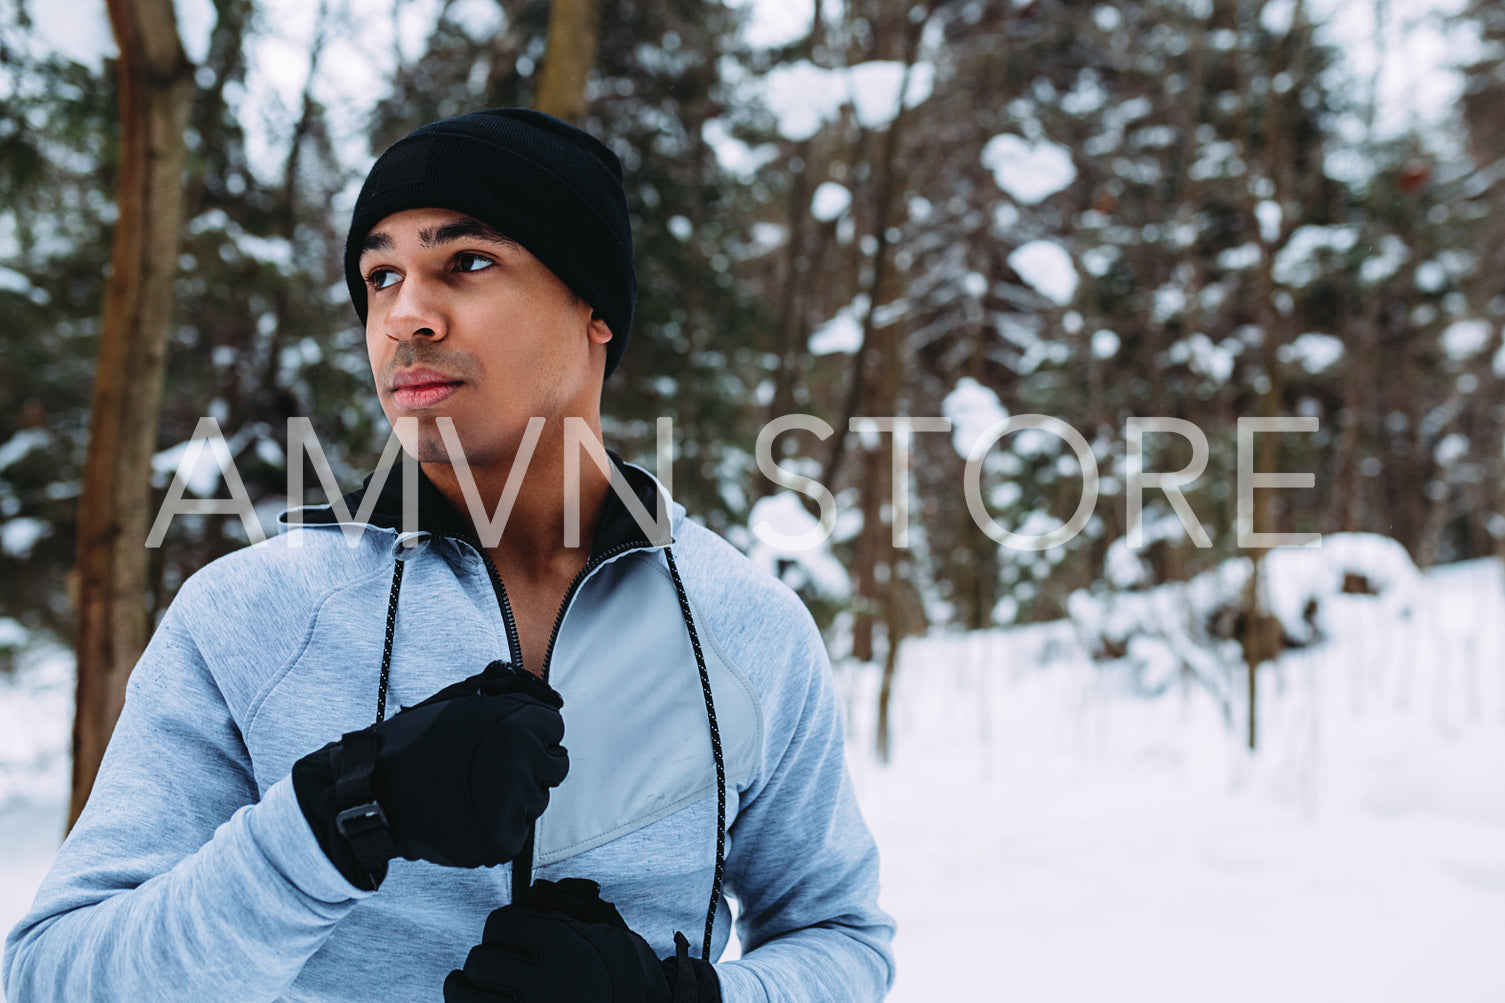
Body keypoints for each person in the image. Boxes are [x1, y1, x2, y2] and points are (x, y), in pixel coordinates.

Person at [4, 108, 896, 1002]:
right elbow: (53, 974)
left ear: (594, 307)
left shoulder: (745, 625)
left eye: (465, 262)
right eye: (379, 274)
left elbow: (841, 937)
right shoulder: (252, 611)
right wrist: (335, 817)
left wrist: (682, 998)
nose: (404, 316)